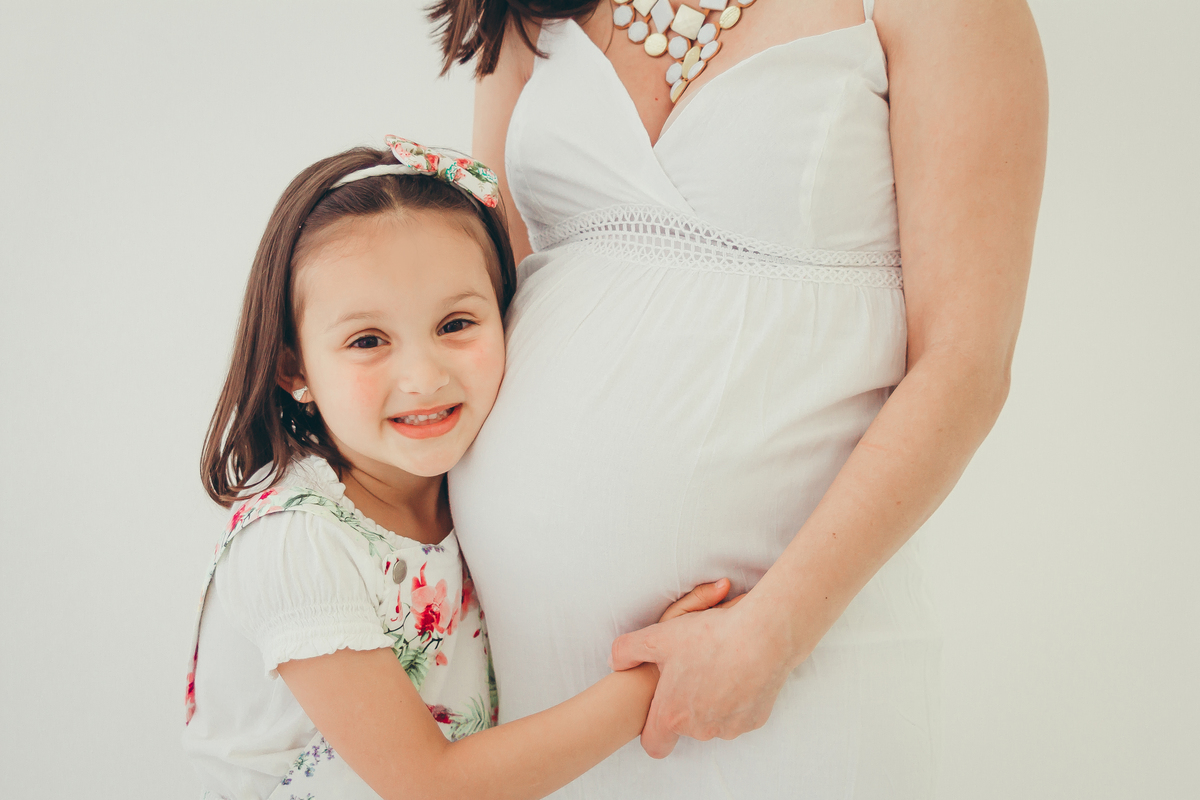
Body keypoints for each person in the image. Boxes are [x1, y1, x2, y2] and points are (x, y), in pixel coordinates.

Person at [436, 0, 1048, 796]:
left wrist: (775, 634)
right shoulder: (528, 8)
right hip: (525, 669)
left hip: (785, 662)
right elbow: (475, 297)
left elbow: (964, 361)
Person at [180, 136, 735, 800]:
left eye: (455, 324)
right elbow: (430, 785)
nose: (423, 376)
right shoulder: (295, 542)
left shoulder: (476, 488)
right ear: (293, 367)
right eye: (367, 340)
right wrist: (662, 674)